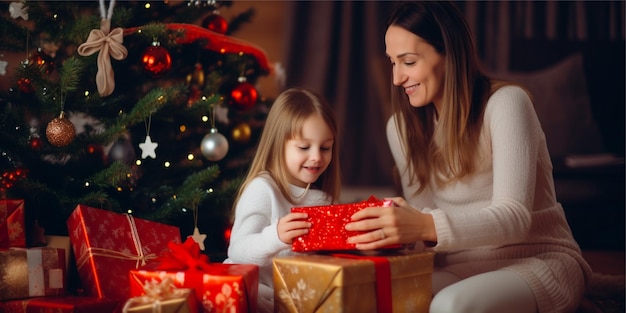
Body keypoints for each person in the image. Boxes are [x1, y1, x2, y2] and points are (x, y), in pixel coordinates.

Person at [344, 2, 592, 313]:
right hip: (459, 265)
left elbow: (514, 218)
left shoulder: (506, 103)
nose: (396, 78)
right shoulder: (401, 129)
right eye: (392, 63)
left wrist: (420, 224)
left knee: (450, 306)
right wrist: (394, 232)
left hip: (538, 259)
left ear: (449, 53)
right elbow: (425, 227)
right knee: (380, 298)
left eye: (408, 61)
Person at [223, 87, 341, 313]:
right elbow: (237, 250)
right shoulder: (263, 188)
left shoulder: (324, 197)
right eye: (304, 147)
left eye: (325, 147)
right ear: (279, 144)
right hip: (255, 296)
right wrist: (275, 237)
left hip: (299, 298)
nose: (317, 156)